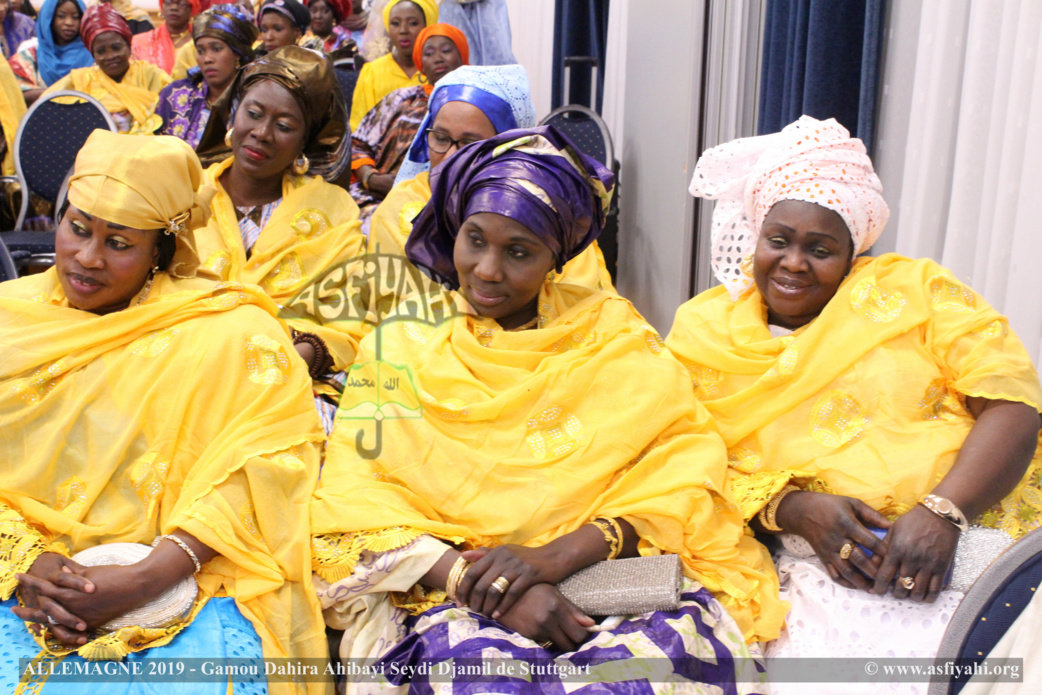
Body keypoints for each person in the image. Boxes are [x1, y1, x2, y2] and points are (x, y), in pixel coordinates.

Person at [311, 127, 785, 695]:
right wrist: (491, 588)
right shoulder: (401, 346)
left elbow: (681, 470)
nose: (487, 269)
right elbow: (356, 503)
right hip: (449, 593)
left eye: (519, 252)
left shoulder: (610, 335)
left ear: (554, 258)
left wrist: (551, 560)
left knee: (649, 672)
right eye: (475, 240)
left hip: (612, 581)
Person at [664, 116, 1042, 693]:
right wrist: (792, 510)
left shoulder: (915, 292)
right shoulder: (702, 331)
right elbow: (679, 462)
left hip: (971, 547)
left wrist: (943, 513)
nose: (794, 263)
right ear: (755, 234)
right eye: (779, 240)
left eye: (821, 249)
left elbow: (1013, 405)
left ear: (852, 253)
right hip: (805, 569)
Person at [0, 130, 327, 695]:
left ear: (163, 251)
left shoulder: (233, 334)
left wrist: (153, 573)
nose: (87, 257)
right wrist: (25, 561)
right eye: (77, 228)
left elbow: (273, 462)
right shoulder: (14, 321)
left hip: (191, 574)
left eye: (119, 244)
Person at [194, 45, 364, 433]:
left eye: (284, 126)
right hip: (180, 364)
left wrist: (267, 368)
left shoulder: (331, 211)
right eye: (253, 114)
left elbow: (345, 318)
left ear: (306, 141)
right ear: (233, 113)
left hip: (287, 374)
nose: (262, 133)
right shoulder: (186, 196)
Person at [369, 64, 615, 293]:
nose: (452, 157)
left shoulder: (549, 209)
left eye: (470, 144)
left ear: (508, 146)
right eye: (441, 139)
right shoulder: (401, 205)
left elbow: (577, 296)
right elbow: (386, 302)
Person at [349, 23, 466, 221]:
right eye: (429, 53)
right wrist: (372, 178)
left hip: (448, 206)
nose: (438, 58)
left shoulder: (474, 106)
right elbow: (358, 145)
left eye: (446, 50)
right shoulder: (399, 99)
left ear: (463, 57)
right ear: (421, 64)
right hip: (379, 199)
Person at [43, 3, 170, 133]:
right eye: (101, 51)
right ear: (93, 55)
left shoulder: (150, 74)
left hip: (147, 148)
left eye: (116, 48)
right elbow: (45, 105)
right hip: (97, 149)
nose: (110, 56)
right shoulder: (81, 80)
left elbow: (175, 105)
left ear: (128, 46)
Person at [156, 3, 256, 148]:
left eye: (216, 49)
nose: (207, 58)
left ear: (237, 53)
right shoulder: (174, 95)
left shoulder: (254, 98)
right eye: (201, 51)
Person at [348, 0, 436, 131]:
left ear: (427, 25)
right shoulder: (372, 72)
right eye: (395, 23)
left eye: (413, 23)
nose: (403, 30)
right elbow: (358, 127)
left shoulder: (438, 71)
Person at [8, 0, 92, 105]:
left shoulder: (94, 55)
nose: (69, 22)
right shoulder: (30, 55)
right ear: (49, 18)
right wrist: (63, 94)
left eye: (75, 17)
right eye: (61, 16)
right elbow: (14, 91)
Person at [130, 0, 198, 74]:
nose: (174, 8)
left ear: (192, 9)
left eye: (182, 4)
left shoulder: (200, 42)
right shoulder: (140, 42)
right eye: (168, 2)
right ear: (162, 7)